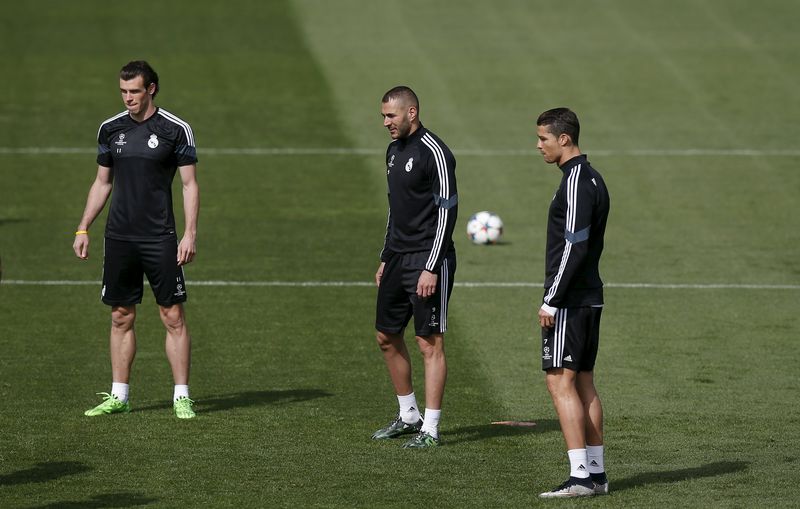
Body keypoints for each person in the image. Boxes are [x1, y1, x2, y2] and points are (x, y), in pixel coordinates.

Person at [73, 60, 199, 419]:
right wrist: (83, 227)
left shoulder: (176, 129)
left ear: (151, 89)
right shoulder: (111, 129)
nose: (128, 98)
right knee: (120, 315)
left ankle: (181, 396)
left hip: (160, 236)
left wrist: (189, 233)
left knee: (172, 315)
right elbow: (102, 183)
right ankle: (119, 395)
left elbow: (189, 185)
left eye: (134, 91)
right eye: (123, 91)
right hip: (119, 237)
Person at [371, 86, 458, 448]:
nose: (386, 123)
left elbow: (447, 209)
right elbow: (396, 207)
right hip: (399, 257)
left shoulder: (435, 152)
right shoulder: (393, 151)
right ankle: (408, 416)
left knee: (428, 342)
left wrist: (431, 266)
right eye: (383, 117)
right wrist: (385, 255)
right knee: (386, 336)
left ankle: (431, 429)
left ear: (412, 112)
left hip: (428, 257)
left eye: (391, 116)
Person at [534, 108, 610, 497]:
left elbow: (575, 245)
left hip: (571, 300)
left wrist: (551, 300)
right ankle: (595, 475)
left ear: (565, 138)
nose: (539, 146)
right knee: (583, 384)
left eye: (543, 138)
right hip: (588, 298)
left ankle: (580, 476)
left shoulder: (578, 182)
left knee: (559, 382)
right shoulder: (590, 179)